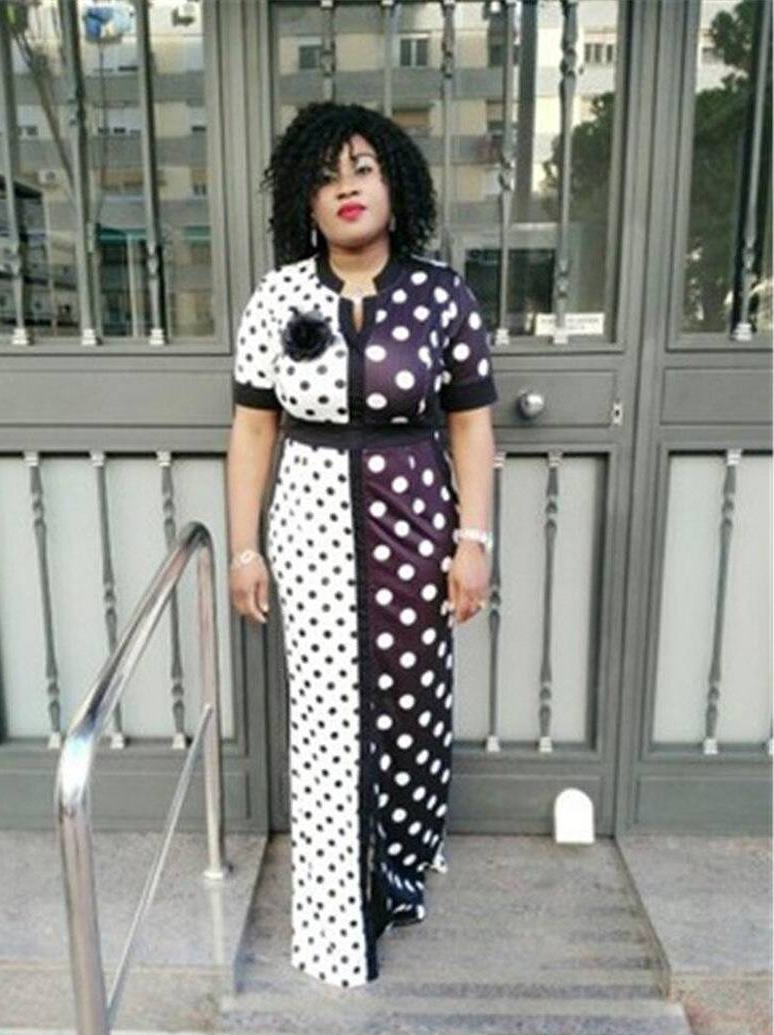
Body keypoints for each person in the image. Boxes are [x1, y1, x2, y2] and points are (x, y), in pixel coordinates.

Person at [226, 101, 498, 989]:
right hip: (308, 527)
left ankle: (400, 871)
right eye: (326, 177)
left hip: (416, 523)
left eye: (363, 170)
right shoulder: (278, 298)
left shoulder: (442, 295)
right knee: (328, 716)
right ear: (304, 202)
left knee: (414, 703)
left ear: (394, 186)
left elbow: (470, 426)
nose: (346, 189)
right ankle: (337, 915)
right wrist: (244, 548)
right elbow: (253, 430)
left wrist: (473, 540)